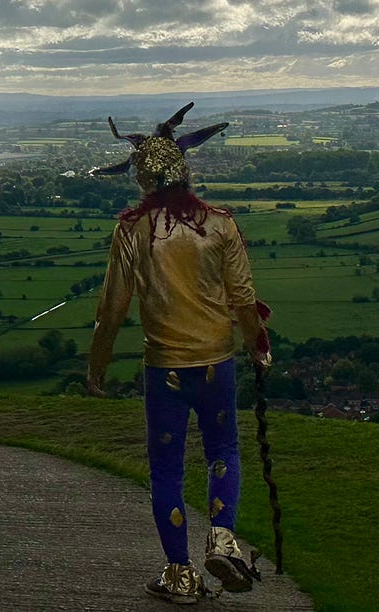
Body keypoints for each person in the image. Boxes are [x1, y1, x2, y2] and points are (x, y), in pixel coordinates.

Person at [87, 130, 271, 605]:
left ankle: (180, 575)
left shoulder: (132, 230)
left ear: (144, 179)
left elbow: (112, 308)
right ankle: (223, 539)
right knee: (222, 449)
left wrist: (97, 365)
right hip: (216, 361)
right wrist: (257, 347)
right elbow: (244, 299)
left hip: (163, 367)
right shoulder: (220, 224)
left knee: (166, 470)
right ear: (185, 172)